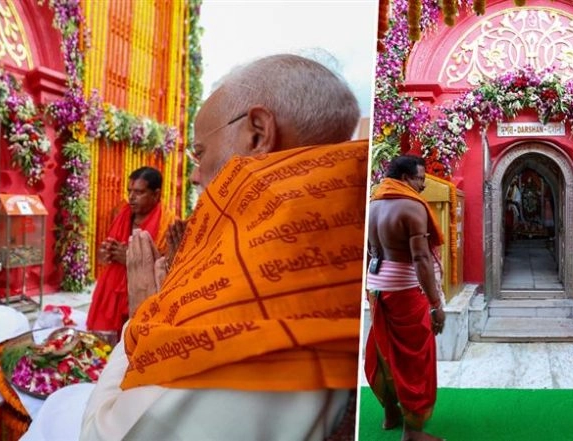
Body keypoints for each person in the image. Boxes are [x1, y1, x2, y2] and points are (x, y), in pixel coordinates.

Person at [81, 54, 367, 440]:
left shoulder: (250, 293)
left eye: (200, 152)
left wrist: (144, 312)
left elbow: (103, 435)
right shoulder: (343, 237)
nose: (196, 174)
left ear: (257, 134)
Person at [364, 155, 446, 441]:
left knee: (385, 352)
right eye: (419, 179)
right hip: (404, 291)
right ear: (404, 178)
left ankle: (391, 413)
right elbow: (421, 258)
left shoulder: (373, 202)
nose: (422, 186)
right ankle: (412, 432)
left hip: (375, 288)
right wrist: (436, 305)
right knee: (414, 360)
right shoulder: (412, 207)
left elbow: (368, 252)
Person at [86, 166, 174, 336]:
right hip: (111, 291)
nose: (131, 198)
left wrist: (131, 259)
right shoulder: (121, 213)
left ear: (156, 194)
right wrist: (104, 253)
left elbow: (167, 269)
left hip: (143, 297)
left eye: (139, 192)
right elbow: (104, 253)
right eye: (130, 191)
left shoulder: (168, 225)